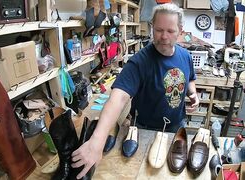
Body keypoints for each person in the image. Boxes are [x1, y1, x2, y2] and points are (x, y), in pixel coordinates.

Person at [71, 3, 199, 179]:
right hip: (144, 129)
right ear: (151, 27)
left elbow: (190, 77)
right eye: (159, 29)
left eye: (170, 31)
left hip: (177, 127)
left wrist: (193, 93)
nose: (163, 36)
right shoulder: (140, 61)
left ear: (180, 30)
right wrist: (97, 140)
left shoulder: (185, 55)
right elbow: (118, 99)